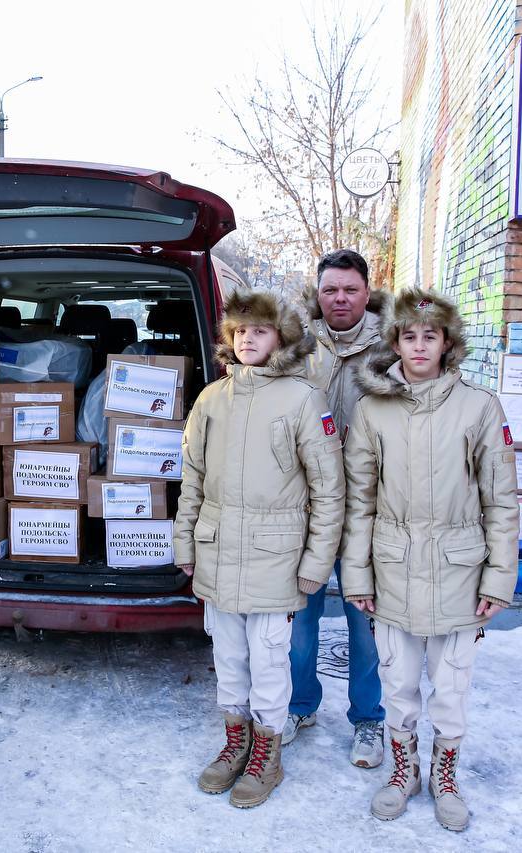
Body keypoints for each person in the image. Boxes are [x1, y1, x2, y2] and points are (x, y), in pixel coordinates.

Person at [340, 287, 519, 831]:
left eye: (430, 336)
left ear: (447, 343)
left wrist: (499, 576)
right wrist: (357, 573)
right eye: (409, 336)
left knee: (453, 684)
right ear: (394, 343)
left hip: (460, 572)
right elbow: (359, 502)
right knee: (397, 684)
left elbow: (501, 500)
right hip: (392, 570)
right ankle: (403, 772)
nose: (419, 347)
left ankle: (445, 775)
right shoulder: (372, 410)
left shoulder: (480, 407)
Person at [174, 289, 345, 809]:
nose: (248, 338)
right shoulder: (211, 399)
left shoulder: (304, 399)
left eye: (261, 330)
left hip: (278, 561)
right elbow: (193, 477)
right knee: (228, 658)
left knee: (270, 662)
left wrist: (317, 562)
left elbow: (328, 490)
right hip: (219, 552)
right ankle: (235, 744)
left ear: (282, 339)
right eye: (240, 330)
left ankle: (267, 755)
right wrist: (185, 540)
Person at [285, 248, 387, 769]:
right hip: (307, 506)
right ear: (318, 293)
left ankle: (369, 720)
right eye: (331, 290)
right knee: (300, 616)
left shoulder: (393, 347)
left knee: (364, 618)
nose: (340, 299)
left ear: (367, 292)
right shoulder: (296, 346)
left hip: (370, 508)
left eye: (350, 289)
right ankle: (300, 706)